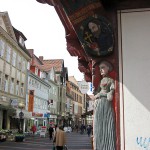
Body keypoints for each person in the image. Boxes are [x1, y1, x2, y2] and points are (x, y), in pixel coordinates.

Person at [93, 60, 116, 150]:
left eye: (103, 68)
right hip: (99, 104)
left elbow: (111, 92)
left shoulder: (110, 80)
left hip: (105, 104)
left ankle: (108, 146)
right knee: (99, 125)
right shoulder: (101, 81)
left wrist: (105, 94)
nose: (101, 70)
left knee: (107, 124)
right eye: (100, 68)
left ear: (108, 68)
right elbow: (97, 92)